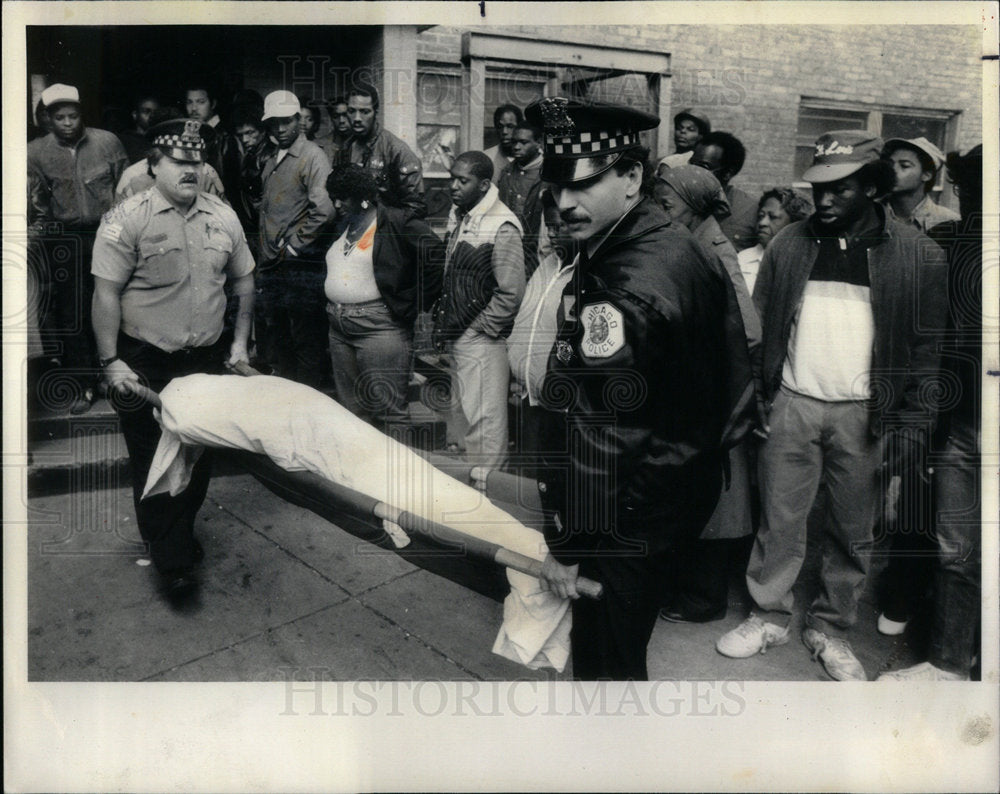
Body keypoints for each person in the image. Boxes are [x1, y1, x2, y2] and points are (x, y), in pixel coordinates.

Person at [526, 96, 753, 680]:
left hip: (623, 516)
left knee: (606, 665)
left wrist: (568, 545)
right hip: (668, 496)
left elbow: (604, 433)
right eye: (554, 189)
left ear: (630, 176)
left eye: (581, 186)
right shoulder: (675, 244)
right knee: (622, 652)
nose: (563, 204)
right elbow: (729, 386)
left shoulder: (623, 283)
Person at [716, 130, 948, 681]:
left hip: (865, 415)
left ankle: (831, 628)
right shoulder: (790, 244)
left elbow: (926, 354)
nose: (823, 200)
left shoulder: (918, 254)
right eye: (818, 188)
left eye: (839, 190)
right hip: (793, 404)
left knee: (853, 531)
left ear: (872, 188)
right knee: (780, 521)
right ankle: (767, 614)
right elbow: (759, 329)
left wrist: (909, 428)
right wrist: (761, 399)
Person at [90, 118, 255, 602]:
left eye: (197, 160)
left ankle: (173, 534)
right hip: (144, 358)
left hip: (203, 358)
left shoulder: (223, 215)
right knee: (152, 457)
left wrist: (240, 344)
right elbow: (105, 293)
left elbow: (244, 281)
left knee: (198, 452)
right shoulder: (127, 218)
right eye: (180, 162)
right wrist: (110, 361)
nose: (191, 169)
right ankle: (173, 561)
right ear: (153, 165)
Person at [878, 144, 982, 681]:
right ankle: (946, 664)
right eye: (978, 188)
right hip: (961, 421)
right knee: (955, 548)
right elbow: (933, 341)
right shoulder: (948, 242)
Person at [652, 163, 762, 624]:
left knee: (719, 501)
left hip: (716, 397)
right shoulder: (693, 241)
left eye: (668, 203)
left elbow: (749, 328)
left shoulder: (714, 249)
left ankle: (704, 600)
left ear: (695, 206)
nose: (661, 210)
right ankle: (690, 592)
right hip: (700, 396)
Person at [27, 83, 129, 414]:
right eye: (60, 117)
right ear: (47, 118)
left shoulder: (107, 142)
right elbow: (37, 203)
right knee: (73, 313)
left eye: (74, 116)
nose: (69, 123)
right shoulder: (35, 153)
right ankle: (83, 385)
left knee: (115, 304)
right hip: (66, 240)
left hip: (109, 234)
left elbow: (126, 189)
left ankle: (114, 379)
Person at [322, 163, 444, 426]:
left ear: (363, 198)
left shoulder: (395, 221)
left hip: (379, 329)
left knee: (391, 413)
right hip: (339, 329)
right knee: (352, 414)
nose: (337, 204)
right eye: (334, 197)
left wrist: (414, 302)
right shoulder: (343, 225)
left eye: (343, 197)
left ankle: (396, 468)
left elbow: (435, 254)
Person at [432, 151, 525, 469]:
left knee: (485, 423)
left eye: (463, 180)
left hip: (483, 340)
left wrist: (477, 330)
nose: (453, 187)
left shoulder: (502, 224)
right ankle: (473, 492)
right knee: (464, 416)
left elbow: (510, 293)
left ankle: (492, 496)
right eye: (451, 179)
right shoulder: (462, 215)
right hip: (461, 335)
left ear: (485, 184)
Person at [256, 90, 334, 386]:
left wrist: (294, 246)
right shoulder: (272, 156)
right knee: (280, 337)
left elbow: (324, 211)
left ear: (298, 120)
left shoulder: (312, 156)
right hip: (274, 265)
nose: (280, 129)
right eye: (274, 122)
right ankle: (287, 402)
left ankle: (307, 407)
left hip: (298, 266)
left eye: (286, 122)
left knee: (306, 339)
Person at [505, 189, 576, 478]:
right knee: (526, 476)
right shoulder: (548, 266)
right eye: (550, 227)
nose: (555, 234)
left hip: (559, 405)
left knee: (552, 478)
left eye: (562, 226)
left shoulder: (585, 273)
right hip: (528, 396)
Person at [334, 81, 425, 215]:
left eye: (365, 112)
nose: (357, 118)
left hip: (384, 231)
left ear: (376, 112)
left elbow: (415, 208)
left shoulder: (397, 151)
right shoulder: (344, 149)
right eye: (352, 111)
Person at [114, 109, 227, 203]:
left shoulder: (207, 173)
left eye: (195, 163)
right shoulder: (132, 176)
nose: (189, 169)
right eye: (177, 162)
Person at [690, 131, 759, 251]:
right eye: (691, 164)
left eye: (703, 167)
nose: (692, 172)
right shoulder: (674, 203)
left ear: (728, 173)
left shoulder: (751, 211)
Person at [737, 188, 813, 295]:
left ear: (793, 223)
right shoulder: (743, 259)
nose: (762, 222)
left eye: (773, 217)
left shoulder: (806, 261)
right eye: (761, 216)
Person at [880, 136, 960, 233]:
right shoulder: (871, 214)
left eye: (904, 166)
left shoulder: (948, 221)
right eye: (889, 164)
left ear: (926, 175)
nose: (892, 170)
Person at [497, 122, 546, 278]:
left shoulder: (549, 175)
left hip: (537, 255)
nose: (517, 147)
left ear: (538, 142)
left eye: (523, 142)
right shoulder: (507, 172)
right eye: (514, 142)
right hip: (507, 251)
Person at [483, 104, 522, 184]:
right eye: (500, 126)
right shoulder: (487, 158)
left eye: (510, 126)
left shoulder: (535, 157)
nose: (504, 132)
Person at [118, 94, 161, 163]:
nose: (152, 115)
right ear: (135, 115)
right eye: (147, 111)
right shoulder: (124, 140)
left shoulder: (160, 140)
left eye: (156, 112)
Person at [315, 95, 351, 163]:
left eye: (345, 115)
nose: (341, 120)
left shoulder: (362, 145)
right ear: (331, 118)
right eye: (336, 116)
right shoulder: (318, 145)